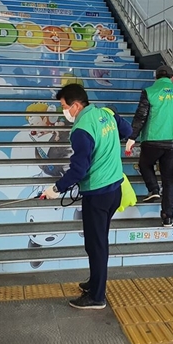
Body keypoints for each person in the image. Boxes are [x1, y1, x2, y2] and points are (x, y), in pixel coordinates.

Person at [41, 84, 132, 309]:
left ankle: (97, 297)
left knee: (96, 245)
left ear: (76, 105)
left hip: (98, 194)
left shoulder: (81, 130)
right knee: (98, 242)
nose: (64, 112)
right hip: (114, 190)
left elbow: (79, 170)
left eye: (64, 107)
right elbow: (128, 130)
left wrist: (56, 188)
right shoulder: (105, 114)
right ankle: (94, 283)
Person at [126, 65, 173, 227]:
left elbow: (141, 115)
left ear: (156, 78)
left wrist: (132, 137)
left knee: (145, 164)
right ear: (172, 78)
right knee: (169, 179)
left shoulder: (150, 92)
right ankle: (168, 217)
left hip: (152, 140)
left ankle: (153, 189)